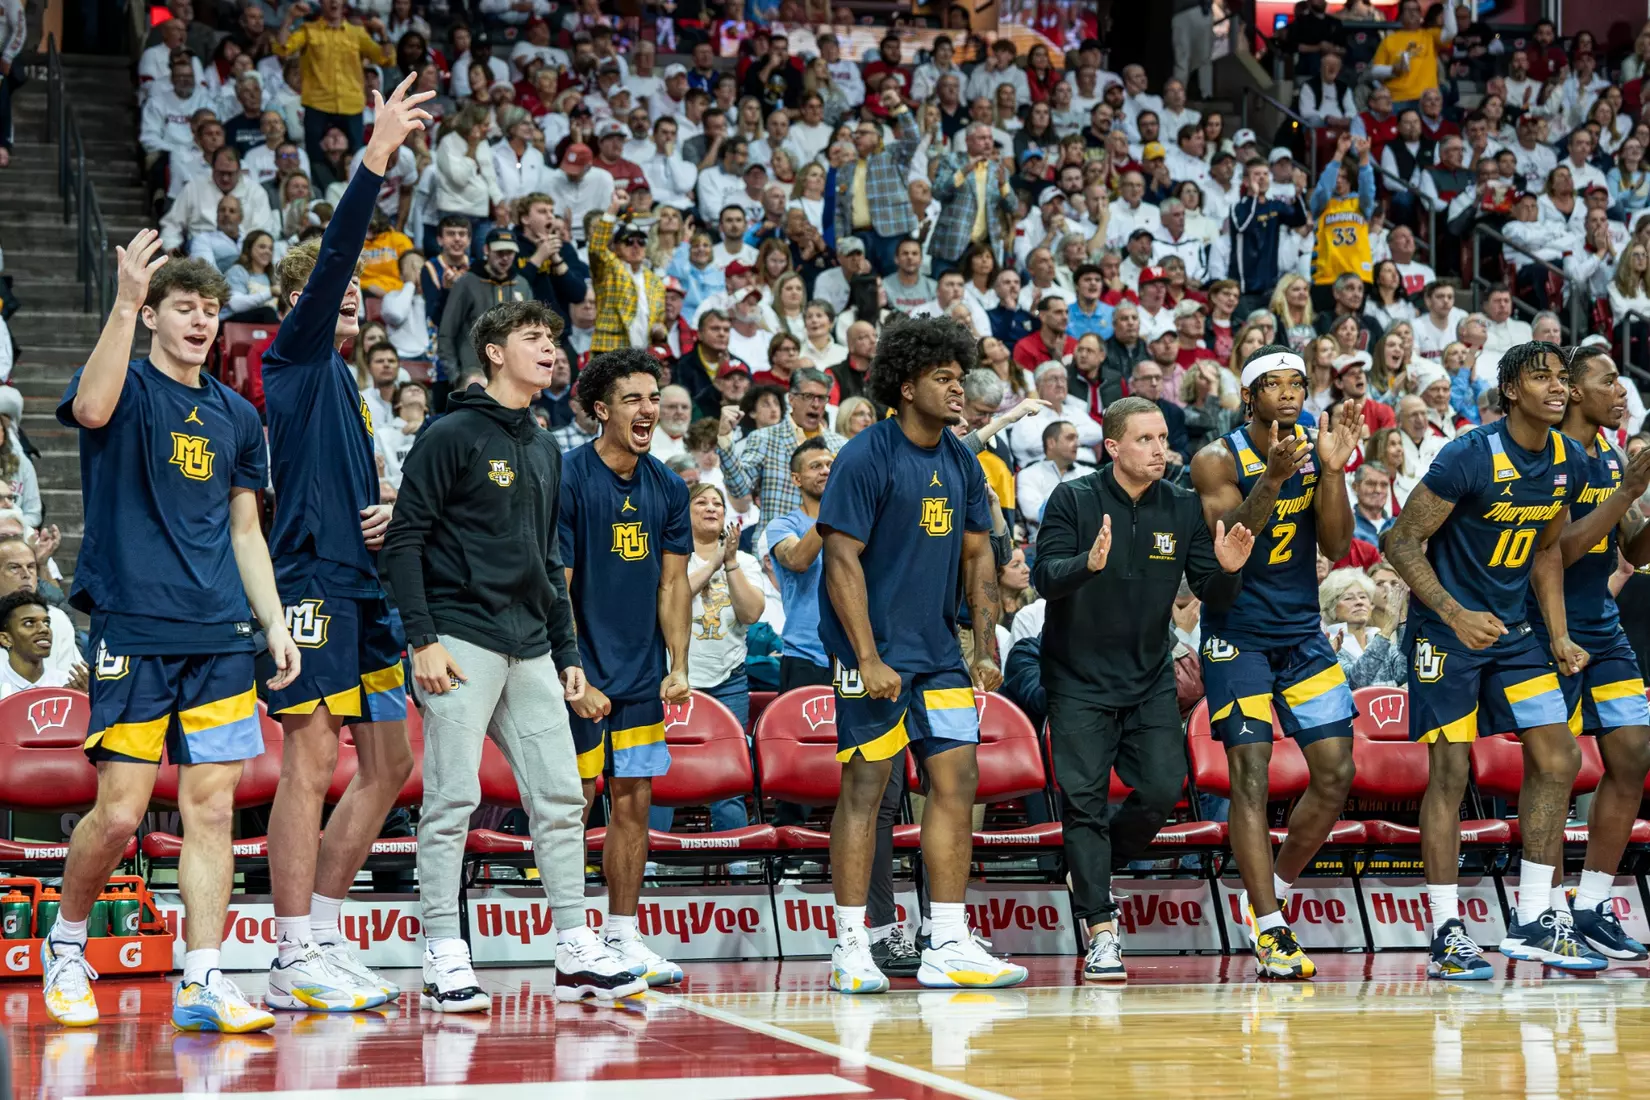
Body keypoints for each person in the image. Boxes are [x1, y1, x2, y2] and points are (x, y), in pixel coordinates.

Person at [43, 241, 298, 1032]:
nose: (200, 320)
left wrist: (274, 621)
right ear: (154, 315)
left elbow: (246, 531)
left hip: (220, 632)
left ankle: (203, 974)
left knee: (212, 811)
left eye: (209, 309)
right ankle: (67, 943)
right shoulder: (123, 386)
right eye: (183, 307)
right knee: (120, 815)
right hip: (134, 626)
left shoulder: (238, 415)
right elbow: (87, 410)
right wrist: (122, 301)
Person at [381, 300, 646, 1009]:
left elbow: (545, 558)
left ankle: (573, 944)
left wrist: (568, 653)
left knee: (561, 798)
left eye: (554, 338)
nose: (550, 350)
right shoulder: (451, 433)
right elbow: (405, 539)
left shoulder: (540, 446)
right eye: (534, 338)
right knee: (451, 799)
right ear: (494, 353)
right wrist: (422, 639)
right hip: (458, 639)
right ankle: (441, 947)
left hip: (531, 644)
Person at [260, 74, 431, 1012]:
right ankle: (289, 954)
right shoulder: (288, 357)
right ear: (297, 303)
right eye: (337, 288)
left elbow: (342, 485)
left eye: (364, 289)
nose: (354, 294)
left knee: (389, 765)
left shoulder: (345, 388)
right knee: (312, 757)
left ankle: (323, 935)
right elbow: (333, 260)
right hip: (310, 580)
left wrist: (389, 507)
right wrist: (376, 158)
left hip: (362, 581)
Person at [1382, 341, 1604, 980]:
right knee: (1450, 773)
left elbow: (1547, 553)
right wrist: (1454, 614)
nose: (1558, 388)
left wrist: (1557, 634)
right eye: (1542, 378)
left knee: (1558, 754)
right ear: (1511, 391)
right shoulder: (1468, 455)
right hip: (1444, 633)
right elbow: (1400, 540)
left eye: (1563, 378)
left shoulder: (1570, 460)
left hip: (1512, 633)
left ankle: (1536, 916)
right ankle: (1446, 930)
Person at [816, 315, 1025, 994]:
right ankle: (851, 943)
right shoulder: (864, 455)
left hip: (937, 653)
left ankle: (948, 938)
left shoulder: (962, 459)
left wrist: (984, 645)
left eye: (960, 378)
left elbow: (978, 558)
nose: (957, 390)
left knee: (957, 782)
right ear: (905, 387)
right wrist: (869, 657)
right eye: (943, 378)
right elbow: (840, 562)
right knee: (867, 789)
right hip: (868, 653)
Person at [1035, 395, 1251, 979]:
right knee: (1082, 803)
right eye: (1146, 440)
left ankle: (1095, 863)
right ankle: (1101, 928)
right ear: (1112, 447)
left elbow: (1208, 586)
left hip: (1149, 674)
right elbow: (1043, 577)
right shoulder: (1072, 499)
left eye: (1162, 438)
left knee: (1163, 785)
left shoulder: (1182, 506)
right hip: (1077, 678)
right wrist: (1089, 563)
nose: (1161, 449)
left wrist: (1228, 571)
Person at [1189, 344, 1362, 979]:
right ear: (1249, 396)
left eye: (1297, 382)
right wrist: (1274, 479)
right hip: (1237, 637)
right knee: (1251, 776)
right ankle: (1269, 930)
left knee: (1336, 772)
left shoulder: (1316, 453)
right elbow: (1231, 544)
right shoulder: (1215, 459)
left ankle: (1274, 895)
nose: (1289, 393)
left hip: (1302, 634)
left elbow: (1340, 545)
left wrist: (1334, 470)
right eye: (1274, 384)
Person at [558, 347, 692, 988]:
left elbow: (674, 585)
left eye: (653, 396)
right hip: (580, 671)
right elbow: (559, 583)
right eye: (634, 398)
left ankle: (622, 935)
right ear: (601, 409)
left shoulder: (667, 485)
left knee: (633, 802)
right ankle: (572, 939)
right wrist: (574, 670)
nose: (649, 409)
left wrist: (679, 663)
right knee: (575, 803)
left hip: (641, 674)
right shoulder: (567, 476)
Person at [1529, 345, 1650, 960]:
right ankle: (1548, 913)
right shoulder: (1552, 456)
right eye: (1609, 382)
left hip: (1603, 626)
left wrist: (1641, 493)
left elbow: (1638, 551)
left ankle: (1594, 903)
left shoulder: (1606, 451)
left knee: (1632, 757)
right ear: (1575, 392)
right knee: (1557, 771)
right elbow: (1563, 551)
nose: (1620, 393)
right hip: (1554, 629)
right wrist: (1626, 491)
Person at [715, 369, 845, 541]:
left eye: (821, 398)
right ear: (791, 399)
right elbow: (740, 489)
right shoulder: (764, 438)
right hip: (773, 549)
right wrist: (724, 439)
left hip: (823, 548)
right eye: (808, 396)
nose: (815, 404)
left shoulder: (840, 445)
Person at [274, 0, 393, 167]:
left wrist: (383, 34)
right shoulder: (309, 30)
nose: (334, 2)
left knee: (356, 159)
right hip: (317, 105)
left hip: (351, 106)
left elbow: (385, 59)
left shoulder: (357, 33)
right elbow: (282, 48)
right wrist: (289, 18)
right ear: (321, 2)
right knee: (316, 161)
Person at [834, 88, 921, 276]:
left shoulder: (892, 156)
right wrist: (841, 240)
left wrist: (898, 107)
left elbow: (913, 138)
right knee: (864, 286)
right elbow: (840, 210)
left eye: (863, 133)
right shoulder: (845, 170)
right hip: (859, 237)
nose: (857, 137)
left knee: (894, 281)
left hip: (892, 234)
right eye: (855, 134)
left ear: (878, 138)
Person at [1309, 134, 1374, 310]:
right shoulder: (1322, 204)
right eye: (1336, 176)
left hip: (1358, 276)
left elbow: (1368, 189)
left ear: (1351, 179)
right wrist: (1338, 154)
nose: (1338, 181)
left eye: (1343, 177)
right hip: (1326, 275)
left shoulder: (1361, 204)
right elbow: (1323, 189)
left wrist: (1364, 157)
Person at [1016, 421, 1089, 544]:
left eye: (1077, 438)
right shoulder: (1029, 474)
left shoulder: (1088, 473)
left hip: (1086, 540)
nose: (1078, 444)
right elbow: (1033, 513)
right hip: (1045, 543)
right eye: (1070, 438)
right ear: (1051, 443)